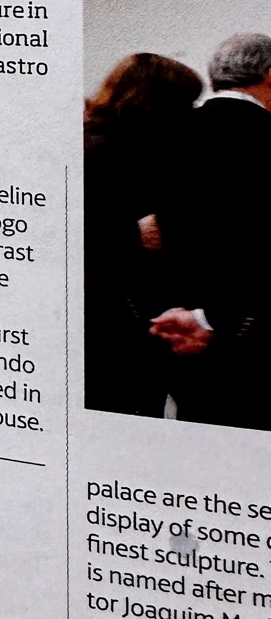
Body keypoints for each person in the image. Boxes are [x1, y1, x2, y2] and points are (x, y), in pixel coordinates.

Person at [151, 31, 271, 430]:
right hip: (251, 336)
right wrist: (216, 319)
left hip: (168, 328)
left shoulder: (163, 132)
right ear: (269, 75)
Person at [83, 52, 202, 415]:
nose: (192, 113)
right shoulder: (103, 154)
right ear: (157, 104)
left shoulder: (109, 144)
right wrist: (135, 235)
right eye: (186, 103)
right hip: (111, 319)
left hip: (121, 314)